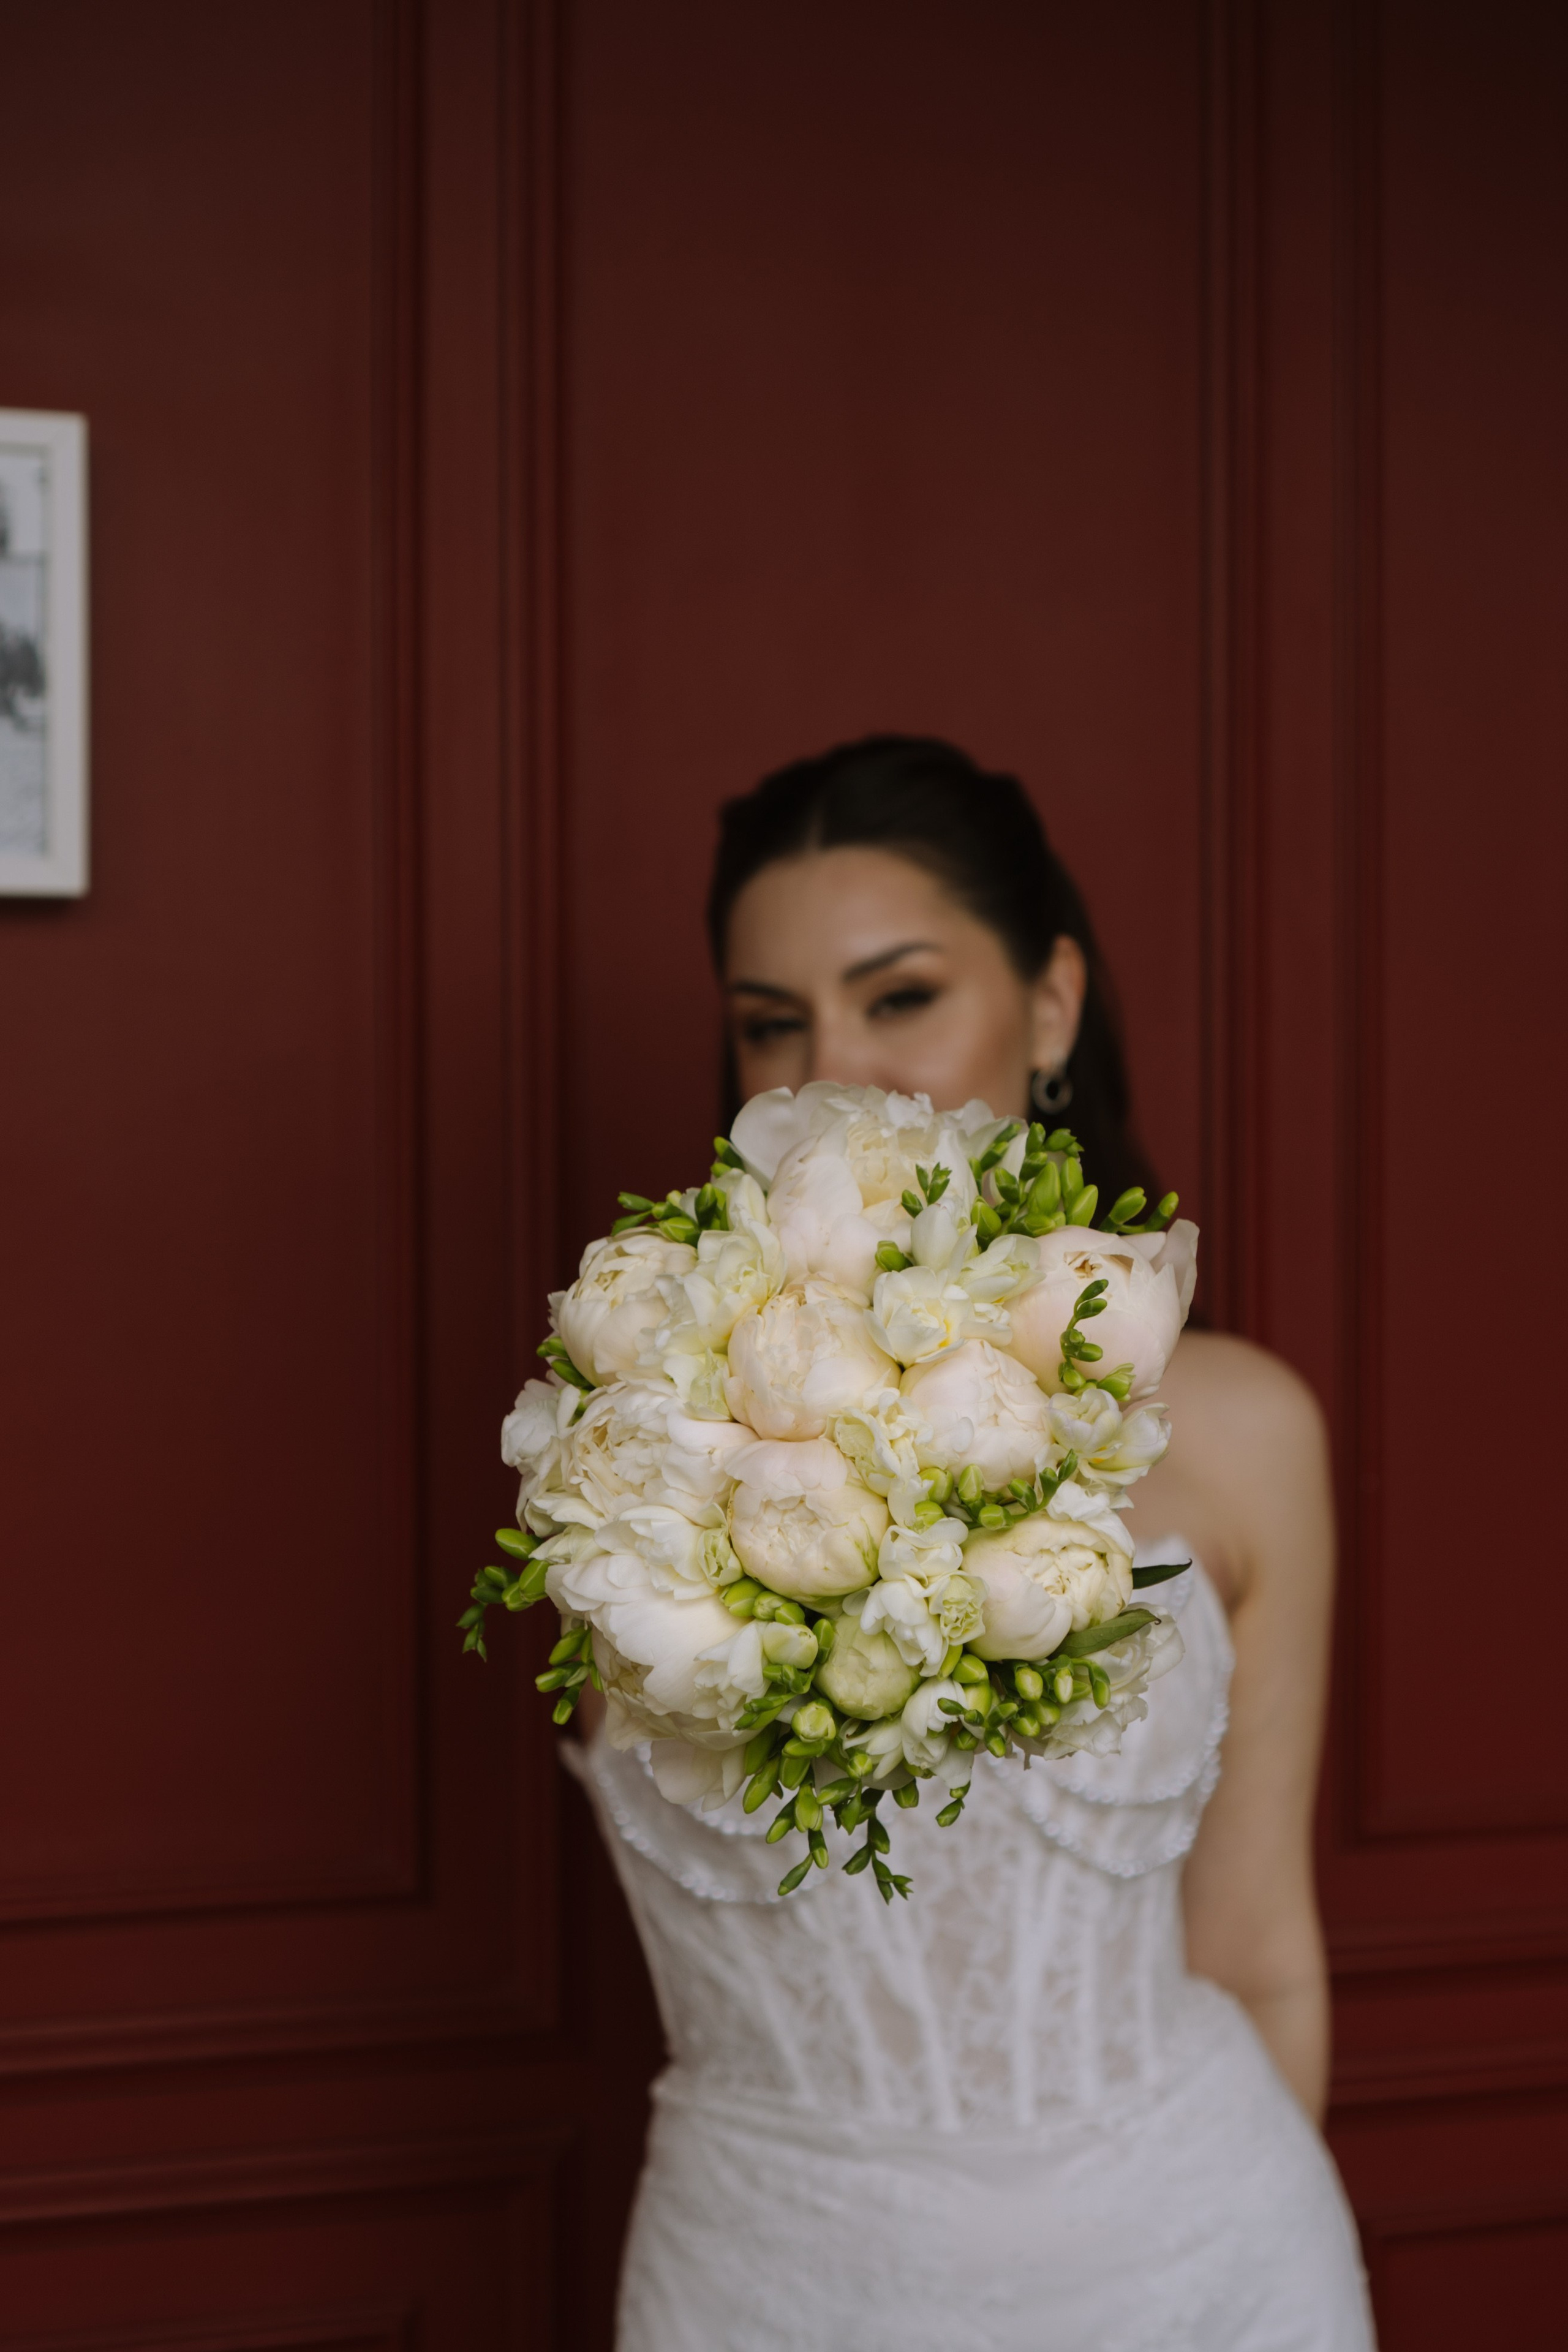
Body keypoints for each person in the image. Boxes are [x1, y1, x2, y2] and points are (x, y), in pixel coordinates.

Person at [568, 736, 1374, 2350]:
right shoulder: (638, 1434)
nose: (838, 1072)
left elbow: (1261, 1948)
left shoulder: (1240, 1434)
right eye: (771, 1023)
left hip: (1201, 2273)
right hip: (766, 2283)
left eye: (903, 995)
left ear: (1052, 1005)